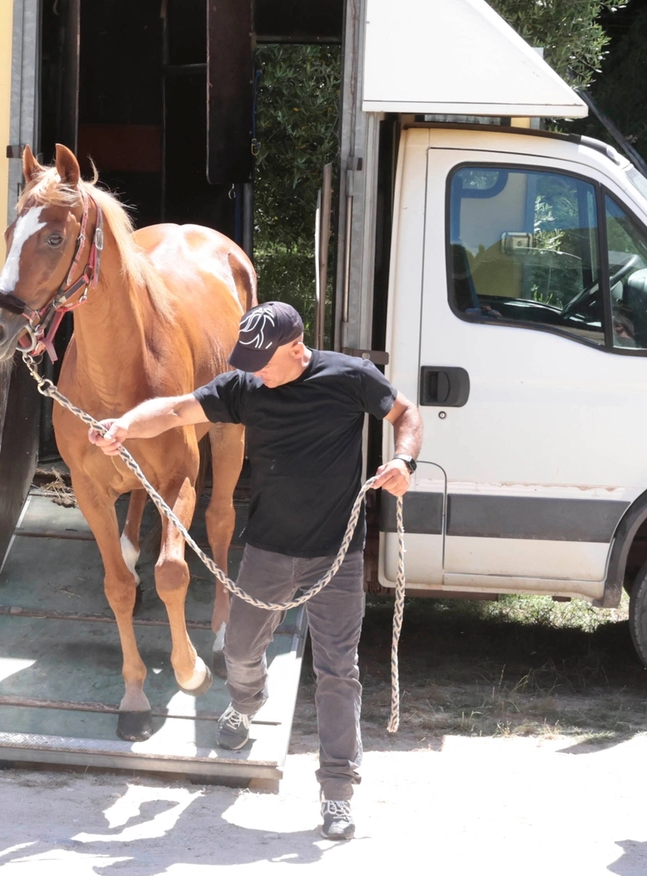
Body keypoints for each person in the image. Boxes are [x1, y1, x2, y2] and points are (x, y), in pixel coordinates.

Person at [89, 300, 422, 840]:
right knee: (240, 652)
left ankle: (337, 793)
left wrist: (403, 461)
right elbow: (176, 411)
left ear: (297, 347)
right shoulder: (245, 388)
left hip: (337, 555)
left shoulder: (349, 377)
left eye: (263, 361)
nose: (254, 372)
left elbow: (406, 415)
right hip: (268, 550)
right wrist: (124, 425)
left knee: (338, 672)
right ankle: (246, 705)